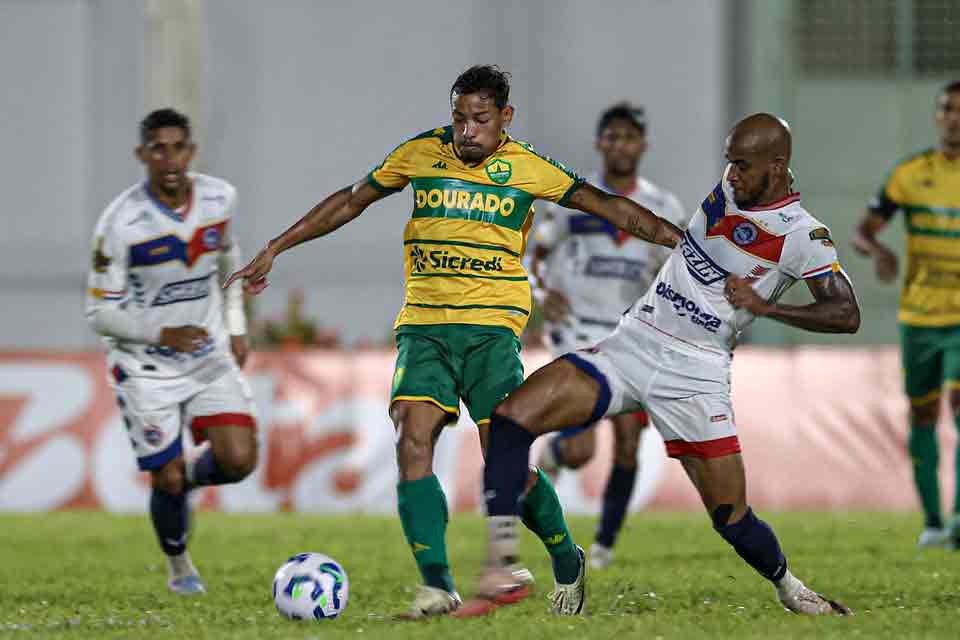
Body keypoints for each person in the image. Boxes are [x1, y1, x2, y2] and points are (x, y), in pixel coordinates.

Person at [224, 65, 681, 618]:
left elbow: (605, 204)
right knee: (412, 436)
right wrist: (277, 245)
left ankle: (566, 556)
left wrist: (678, 241)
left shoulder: (528, 167)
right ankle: (438, 586)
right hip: (424, 326)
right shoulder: (420, 152)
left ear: (505, 118)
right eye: (459, 118)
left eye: (480, 120)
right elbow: (351, 200)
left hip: (491, 330)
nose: (467, 131)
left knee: (507, 462)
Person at [458, 113, 860, 617]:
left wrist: (766, 307)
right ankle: (506, 567)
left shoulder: (804, 237)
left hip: (696, 371)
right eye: (728, 162)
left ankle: (791, 589)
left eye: (741, 165)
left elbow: (846, 313)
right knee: (510, 421)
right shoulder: (732, 189)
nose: (730, 175)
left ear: (776, 167)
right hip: (634, 342)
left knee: (730, 517)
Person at [85, 108, 258, 595]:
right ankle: (179, 565)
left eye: (177, 147)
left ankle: (189, 478)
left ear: (191, 151)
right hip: (144, 366)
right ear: (143, 155)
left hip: (206, 354)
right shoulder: (119, 224)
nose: (169, 158)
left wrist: (236, 325)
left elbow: (229, 259)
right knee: (164, 476)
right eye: (157, 149)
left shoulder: (220, 199)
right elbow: (99, 313)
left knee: (240, 459)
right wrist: (163, 334)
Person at [530, 102, 688, 570]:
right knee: (581, 448)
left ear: (643, 145)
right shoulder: (574, 195)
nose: (620, 145)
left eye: (628, 137)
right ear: (600, 143)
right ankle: (553, 460)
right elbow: (536, 253)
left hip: (629, 333)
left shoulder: (663, 207)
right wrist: (541, 291)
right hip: (575, 329)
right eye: (611, 137)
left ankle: (601, 548)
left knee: (627, 443)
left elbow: (676, 273)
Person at [852, 81, 960, 549]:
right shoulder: (911, 174)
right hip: (919, 317)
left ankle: (958, 520)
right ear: (938, 117)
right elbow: (863, 229)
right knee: (922, 415)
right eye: (948, 109)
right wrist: (877, 251)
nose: (955, 118)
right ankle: (934, 522)